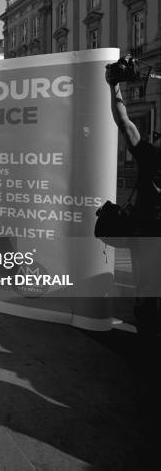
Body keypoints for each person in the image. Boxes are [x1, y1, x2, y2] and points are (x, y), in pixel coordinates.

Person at [106, 58, 161, 340]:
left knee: (147, 290)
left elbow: (122, 119)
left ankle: (147, 335)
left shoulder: (149, 155)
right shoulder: (150, 156)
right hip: (148, 231)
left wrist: (114, 85)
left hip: (147, 232)